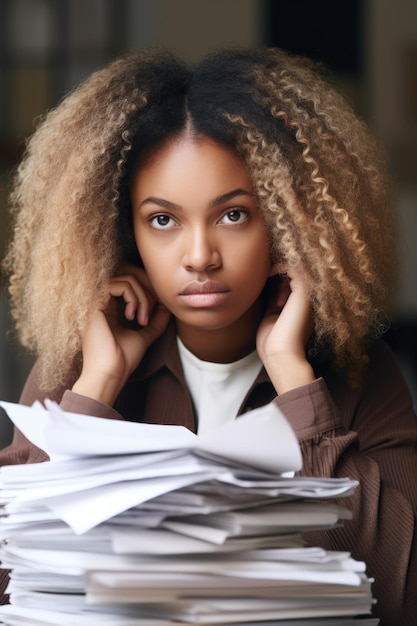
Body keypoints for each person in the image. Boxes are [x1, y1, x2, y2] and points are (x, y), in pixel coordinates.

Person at [0, 46, 416, 624]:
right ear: (125, 231)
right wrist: (98, 385)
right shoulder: (78, 364)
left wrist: (297, 387)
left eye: (234, 214)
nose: (199, 257)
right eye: (163, 220)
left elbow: (400, 590)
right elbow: (10, 581)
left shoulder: (358, 372)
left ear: (290, 221)